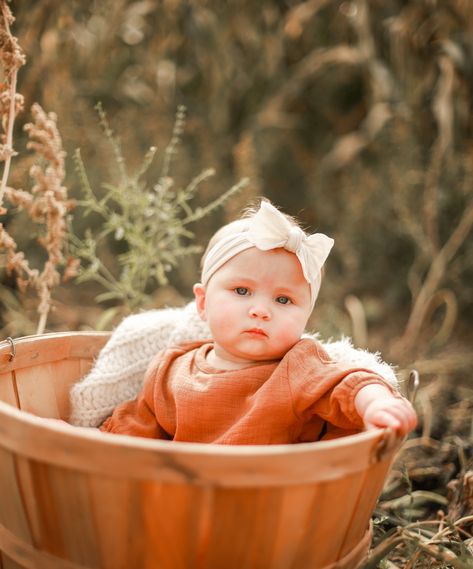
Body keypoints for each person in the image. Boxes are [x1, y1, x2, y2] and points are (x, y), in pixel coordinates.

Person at [93, 199, 416, 444]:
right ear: (203, 302)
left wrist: (377, 403)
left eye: (283, 300)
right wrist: (89, 440)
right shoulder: (171, 368)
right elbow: (134, 429)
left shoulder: (298, 366)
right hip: (181, 506)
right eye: (242, 290)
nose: (261, 311)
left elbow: (347, 383)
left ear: (306, 317)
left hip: (266, 510)